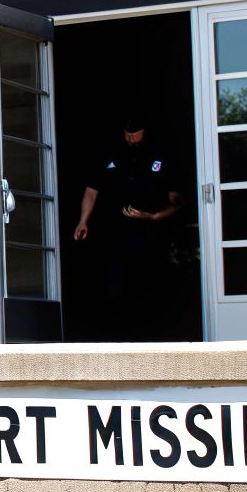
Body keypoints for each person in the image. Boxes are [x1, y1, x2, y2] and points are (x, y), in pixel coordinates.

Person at [71, 114, 183, 338]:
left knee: (149, 286)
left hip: (151, 234)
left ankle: (152, 334)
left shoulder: (161, 156)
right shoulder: (110, 155)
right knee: (115, 287)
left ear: (144, 131)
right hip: (114, 235)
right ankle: (118, 334)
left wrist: (152, 216)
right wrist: (83, 221)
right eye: (128, 134)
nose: (132, 138)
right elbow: (91, 192)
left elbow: (176, 201)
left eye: (135, 134)